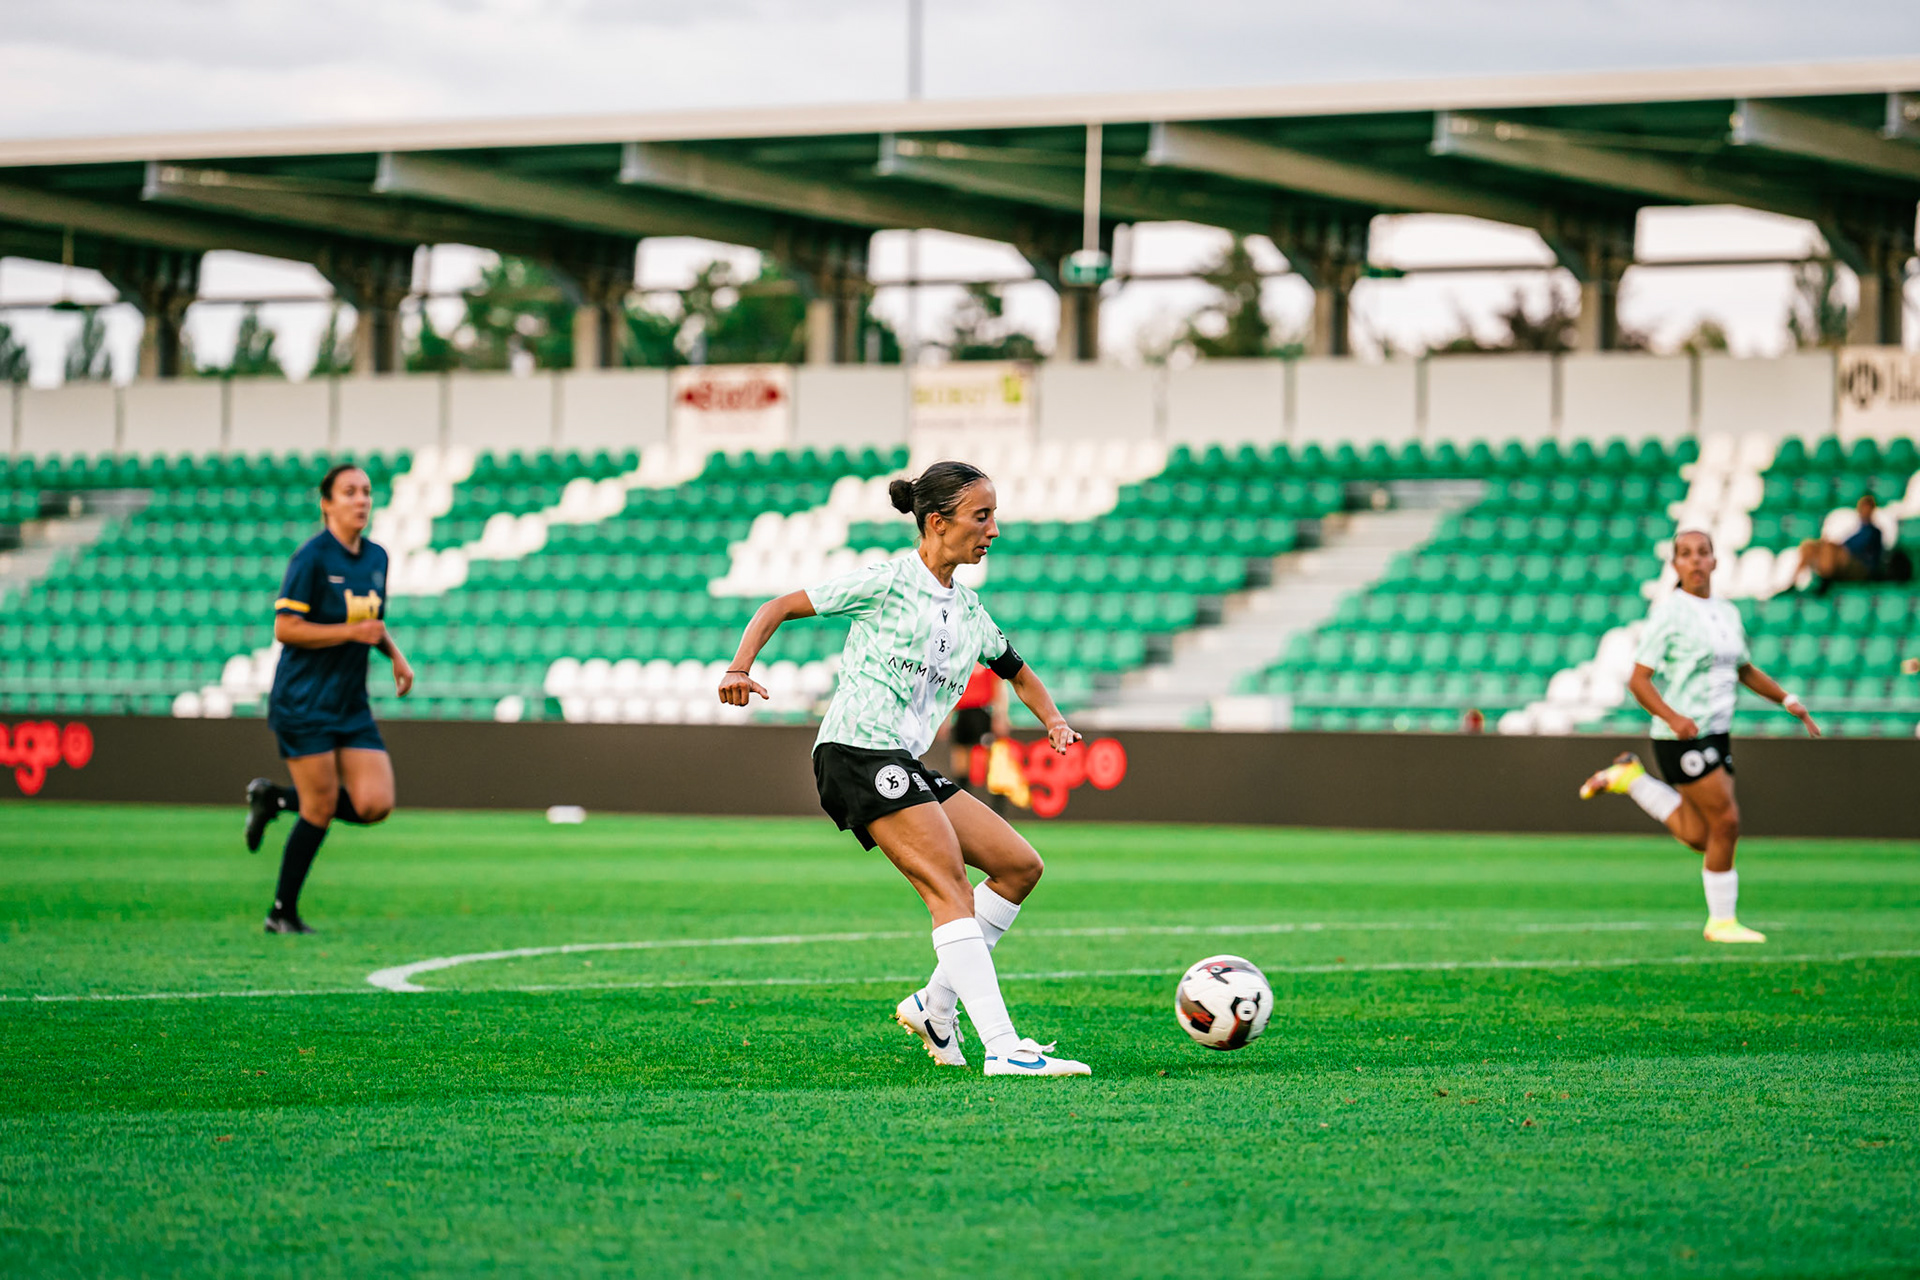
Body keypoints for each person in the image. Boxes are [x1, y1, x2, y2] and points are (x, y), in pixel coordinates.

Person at [718, 460, 1090, 1078]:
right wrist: (738, 667)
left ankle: (935, 1004)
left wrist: (1051, 720)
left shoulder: (971, 613)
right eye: (982, 516)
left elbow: (1016, 670)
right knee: (950, 889)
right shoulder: (887, 583)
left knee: (1020, 867)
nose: (993, 529)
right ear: (938, 523)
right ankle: (1004, 1047)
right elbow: (779, 605)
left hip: (901, 759)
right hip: (855, 751)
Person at [1579, 528, 1820, 943]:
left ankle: (1631, 779)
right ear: (1675, 565)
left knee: (1700, 836)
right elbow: (1639, 680)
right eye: (1685, 554)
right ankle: (1721, 922)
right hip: (1682, 737)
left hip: (1716, 733)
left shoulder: (1727, 612)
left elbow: (1743, 669)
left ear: (1715, 561)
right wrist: (1673, 718)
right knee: (1726, 821)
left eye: (1702, 553)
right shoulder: (1669, 613)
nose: (1694, 561)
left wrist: (1787, 700)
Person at [243, 462, 415, 935]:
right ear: (327, 504)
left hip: (349, 702)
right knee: (318, 809)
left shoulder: (377, 557)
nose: (361, 500)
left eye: (366, 491)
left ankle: (276, 800)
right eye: (349, 492)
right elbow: (285, 627)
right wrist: (349, 632)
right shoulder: (311, 558)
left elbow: (370, 625)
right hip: (304, 701)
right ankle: (281, 912)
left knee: (375, 803)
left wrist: (395, 656)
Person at [946, 663, 1012, 800]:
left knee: (987, 757)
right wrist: (946, 720)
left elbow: (998, 687)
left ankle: (994, 801)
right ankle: (962, 799)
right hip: (962, 713)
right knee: (960, 758)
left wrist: (1000, 716)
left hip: (982, 711)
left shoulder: (987, 662)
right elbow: (950, 691)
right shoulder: (961, 662)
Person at [1798, 493, 1886, 592]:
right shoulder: (1852, 526)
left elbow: (1856, 548)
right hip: (1845, 559)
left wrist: (1836, 547)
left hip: (1861, 566)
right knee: (1809, 546)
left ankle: (1824, 582)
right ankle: (1797, 581)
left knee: (1829, 549)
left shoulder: (1873, 531)